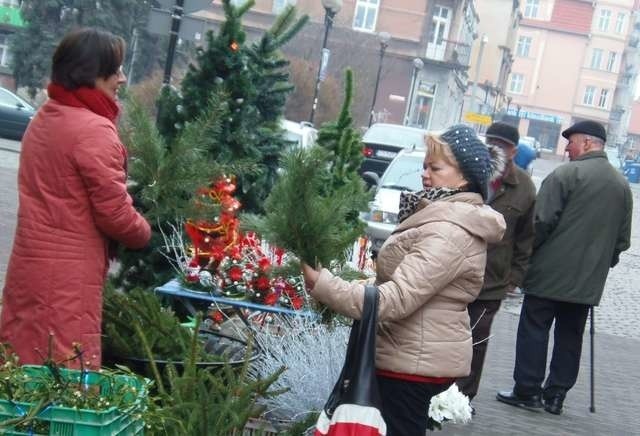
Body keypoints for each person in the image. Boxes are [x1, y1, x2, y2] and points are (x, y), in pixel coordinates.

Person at [303, 124, 506, 435]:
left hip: (413, 362)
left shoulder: (448, 230)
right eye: (424, 165)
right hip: (410, 352)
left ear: (464, 177)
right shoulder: (442, 216)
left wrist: (325, 285)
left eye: (435, 167)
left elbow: (396, 298)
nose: (425, 174)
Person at [0, 28, 151, 369]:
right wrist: (145, 230)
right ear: (91, 72)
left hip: (30, 265)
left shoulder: (45, 118)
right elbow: (114, 213)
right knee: (67, 369)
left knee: (22, 364)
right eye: (116, 70)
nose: (122, 79)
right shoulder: (93, 130)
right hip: (67, 277)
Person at [497, 120, 633, 415]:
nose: (567, 149)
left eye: (570, 143)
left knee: (534, 328)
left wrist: (526, 258)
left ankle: (527, 390)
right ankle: (556, 396)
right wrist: (599, 265)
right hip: (586, 281)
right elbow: (622, 240)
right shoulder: (621, 185)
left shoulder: (566, 174)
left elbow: (540, 223)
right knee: (570, 336)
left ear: (586, 143)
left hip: (549, 272)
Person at [456, 122, 536, 405]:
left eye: (502, 144)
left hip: (492, 281)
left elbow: (526, 238)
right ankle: (435, 394)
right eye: (491, 141)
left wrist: (514, 277)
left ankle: (463, 397)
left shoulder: (524, 187)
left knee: (477, 339)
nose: (495, 148)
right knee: (444, 335)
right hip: (454, 272)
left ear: (514, 151)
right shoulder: (467, 172)